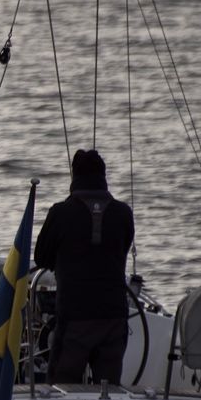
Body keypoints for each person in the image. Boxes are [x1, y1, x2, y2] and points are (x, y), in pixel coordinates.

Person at [34, 148, 135, 385]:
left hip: (74, 320)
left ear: (74, 176)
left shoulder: (60, 213)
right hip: (114, 318)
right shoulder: (123, 213)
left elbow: (41, 258)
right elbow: (123, 249)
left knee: (62, 387)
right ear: (103, 176)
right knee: (108, 390)